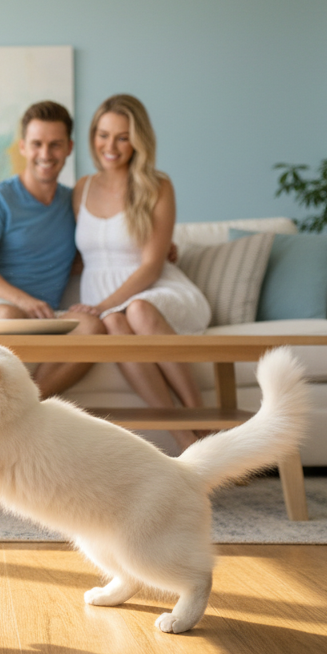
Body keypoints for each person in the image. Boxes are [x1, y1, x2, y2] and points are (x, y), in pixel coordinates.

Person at [63, 93, 212, 449]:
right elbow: (86, 253)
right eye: (103, 135)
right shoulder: (82, 188)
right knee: (115, 322)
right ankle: (186, 441)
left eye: (122, 137)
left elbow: (151, 266)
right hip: (109, 305)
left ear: (138, 140)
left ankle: (206, 426)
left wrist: (102, 306)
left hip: (155, 292)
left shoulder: (157, 185)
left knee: (137, 311)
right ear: (93, 136)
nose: (110, 146)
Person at [0, 101, 106, 391]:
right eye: (37, 144)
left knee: (92, 327)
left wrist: (158, 248)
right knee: (9, 317)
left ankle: (32, 402)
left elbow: (109, 239)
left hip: (41, 316)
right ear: (23, 147)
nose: (45, 154)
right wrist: (23, 301)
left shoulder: (75, 202)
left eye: (55, 145)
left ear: (69, 148)